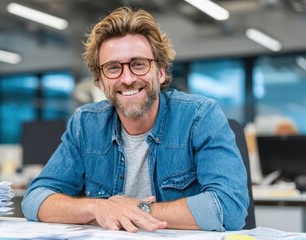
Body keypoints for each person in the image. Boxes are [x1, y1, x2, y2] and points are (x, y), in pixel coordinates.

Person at [21, 6, 249, 233]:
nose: (127, 78)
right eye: (113, 68)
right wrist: (98, 207)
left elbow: (229, 207)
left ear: (160, 72)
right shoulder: (85, 124)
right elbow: (35, 199)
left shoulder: (200, 116)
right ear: (100, 81)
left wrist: (138, 209)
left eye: (138, 64)